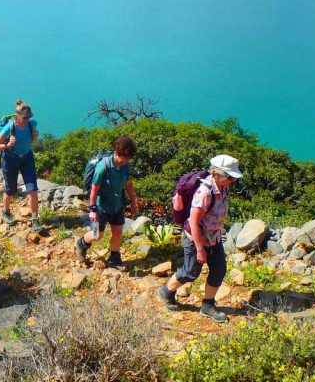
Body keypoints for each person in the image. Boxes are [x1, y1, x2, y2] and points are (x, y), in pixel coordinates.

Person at [157, 154, 242, 323]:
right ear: (216, 174)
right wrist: (200, 249)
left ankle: (208, 305)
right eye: (230, 177)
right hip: (196, 238)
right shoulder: (204, 193)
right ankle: (166, 292)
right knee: (190, 272)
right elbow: (193, 222)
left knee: (219, 269)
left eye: (233, 177)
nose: (232, 180)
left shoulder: (223, 187)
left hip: (214, 236)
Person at [74, 136, 139, 269]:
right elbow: (94, 188)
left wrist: (133, 201)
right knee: (96, 235)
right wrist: (93, 209)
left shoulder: (125, 166)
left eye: (128, 159)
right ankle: (80, 244)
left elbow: (128, 184)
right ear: (116, 153)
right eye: (124, 158)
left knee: (118, 232)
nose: (126, 161)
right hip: (100, 207)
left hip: (117, 205)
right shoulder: (103, 167)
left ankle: (114, 258)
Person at [0, 100, 43, 232]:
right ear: (18, 116)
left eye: (29, 117)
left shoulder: (31, 124)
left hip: (27, 158)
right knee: (10, 190)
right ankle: (6, 211)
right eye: (25, 117)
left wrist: (34, 136)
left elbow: (29, 140)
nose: (27, 120)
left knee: (33, 190)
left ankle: (35, 219)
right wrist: (7, 144)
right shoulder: (9, 128)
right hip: (10, 159)